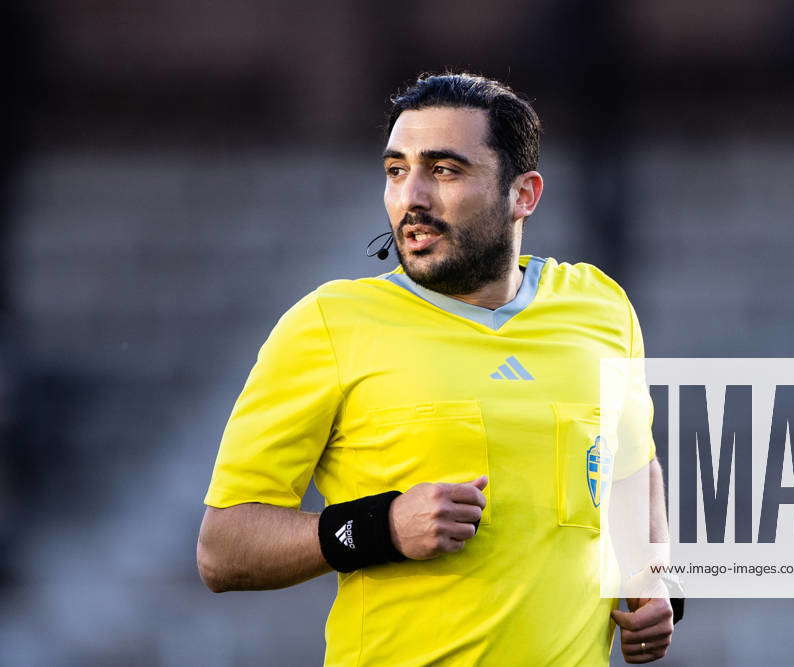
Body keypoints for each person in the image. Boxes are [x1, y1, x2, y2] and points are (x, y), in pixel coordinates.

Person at [197, 72, 676, 665]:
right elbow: (223, 550)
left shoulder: (601, 307)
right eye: (396, 170)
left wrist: (650, 575)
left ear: (523, 194)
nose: (411, 197)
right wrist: (383, 527)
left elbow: (632, 466)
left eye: (443, 170)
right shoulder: (328, 323)